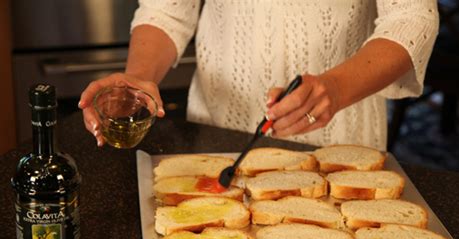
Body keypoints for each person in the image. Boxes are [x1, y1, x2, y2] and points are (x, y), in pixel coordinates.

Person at [79, 0, 439, 151]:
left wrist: (336, 88)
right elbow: (167, 10)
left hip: (340, 144)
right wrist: (138, 81)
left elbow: (411, 18)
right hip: (217, 140)